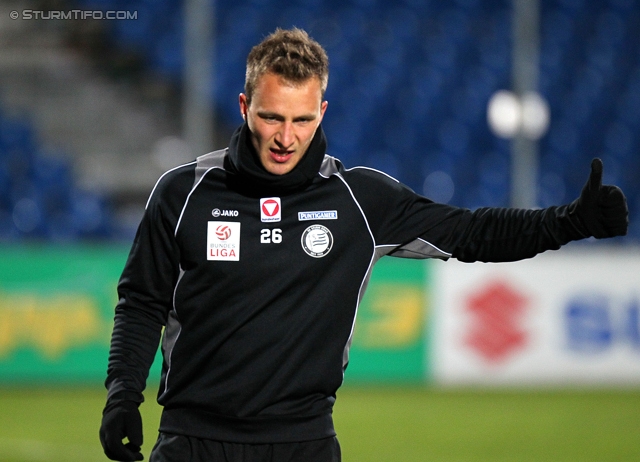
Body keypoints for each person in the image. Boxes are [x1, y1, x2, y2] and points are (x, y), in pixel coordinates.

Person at [99, 27, 628, 462]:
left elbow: (471, 233)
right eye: (272, 117)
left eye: (302, 119)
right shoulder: (183, 192)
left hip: (302, 445)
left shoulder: (359, 200)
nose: (287, 137)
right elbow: (143, 301)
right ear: (244, 107)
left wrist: (570, 221)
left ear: (322, 113)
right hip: (191, 443)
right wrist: (123, 394)